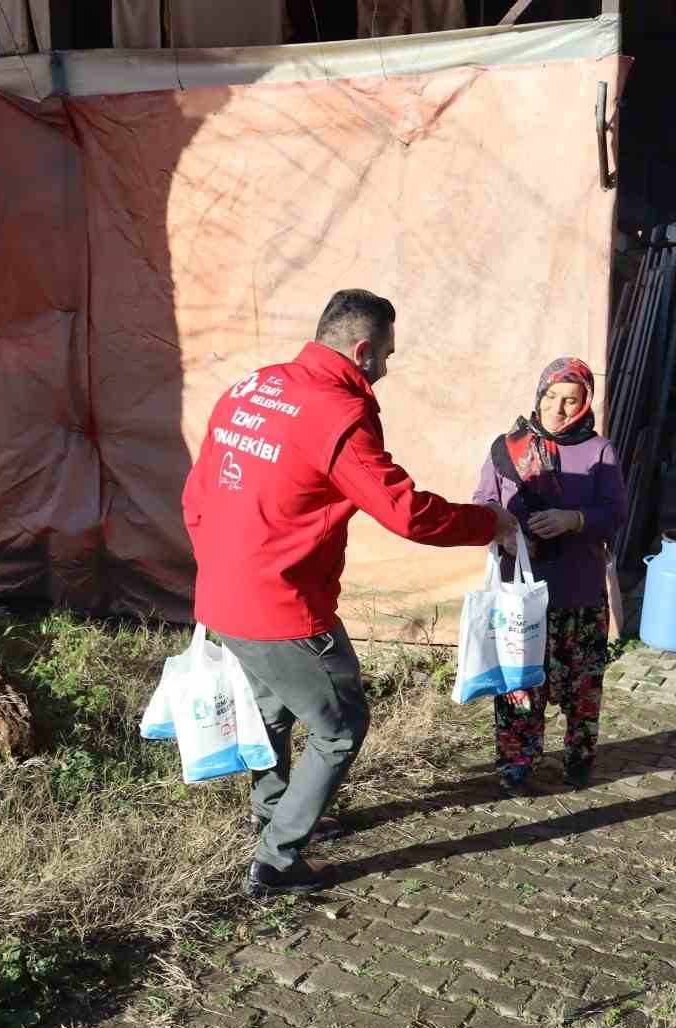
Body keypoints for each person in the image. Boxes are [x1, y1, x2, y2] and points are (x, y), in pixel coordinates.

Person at [182, 289, 518, 897]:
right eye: (386, 355)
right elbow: (406, 513)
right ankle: (277, 861)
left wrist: (222, 570)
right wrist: (489, 522)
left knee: (274, 713)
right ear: (362, 350)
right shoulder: (335, 412)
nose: (386, 369)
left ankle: (275, 811)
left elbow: (196, 495)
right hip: (284, 608)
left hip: (223, 593)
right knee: (340, 727)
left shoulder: (249, 389)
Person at [471, 357, 625, 793]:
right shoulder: (507, 447)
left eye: (570, 400)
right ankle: (517, 760)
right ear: (539, 396)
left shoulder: (599, 451)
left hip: (578, 590)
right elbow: (484, 500)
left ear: (584, 405)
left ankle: (579, 758)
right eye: (551, 397)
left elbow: (615, 513)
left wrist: (573, 519)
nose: (557, 408)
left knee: (581, 685)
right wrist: (500, 529)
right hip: (520, 592)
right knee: (519, 682)